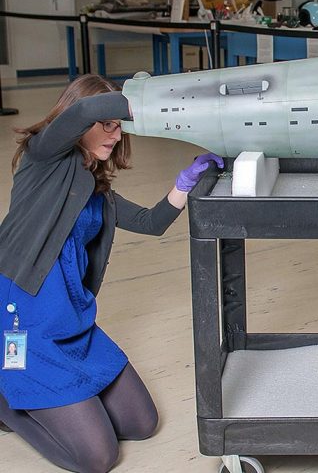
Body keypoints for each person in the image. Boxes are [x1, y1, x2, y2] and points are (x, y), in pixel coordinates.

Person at [0, 75, 224, 472]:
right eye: (107, 124)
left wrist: (185, 182)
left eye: (119, 126)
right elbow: (86, 108)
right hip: (27, 321)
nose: (115, 133)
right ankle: (9, 407)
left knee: (143, 424)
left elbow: (153, 222)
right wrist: (155, 100)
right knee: (98, 457)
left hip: (72, 319)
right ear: (78, 123)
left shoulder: (98, 194)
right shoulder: (44, 157)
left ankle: (64, 400)